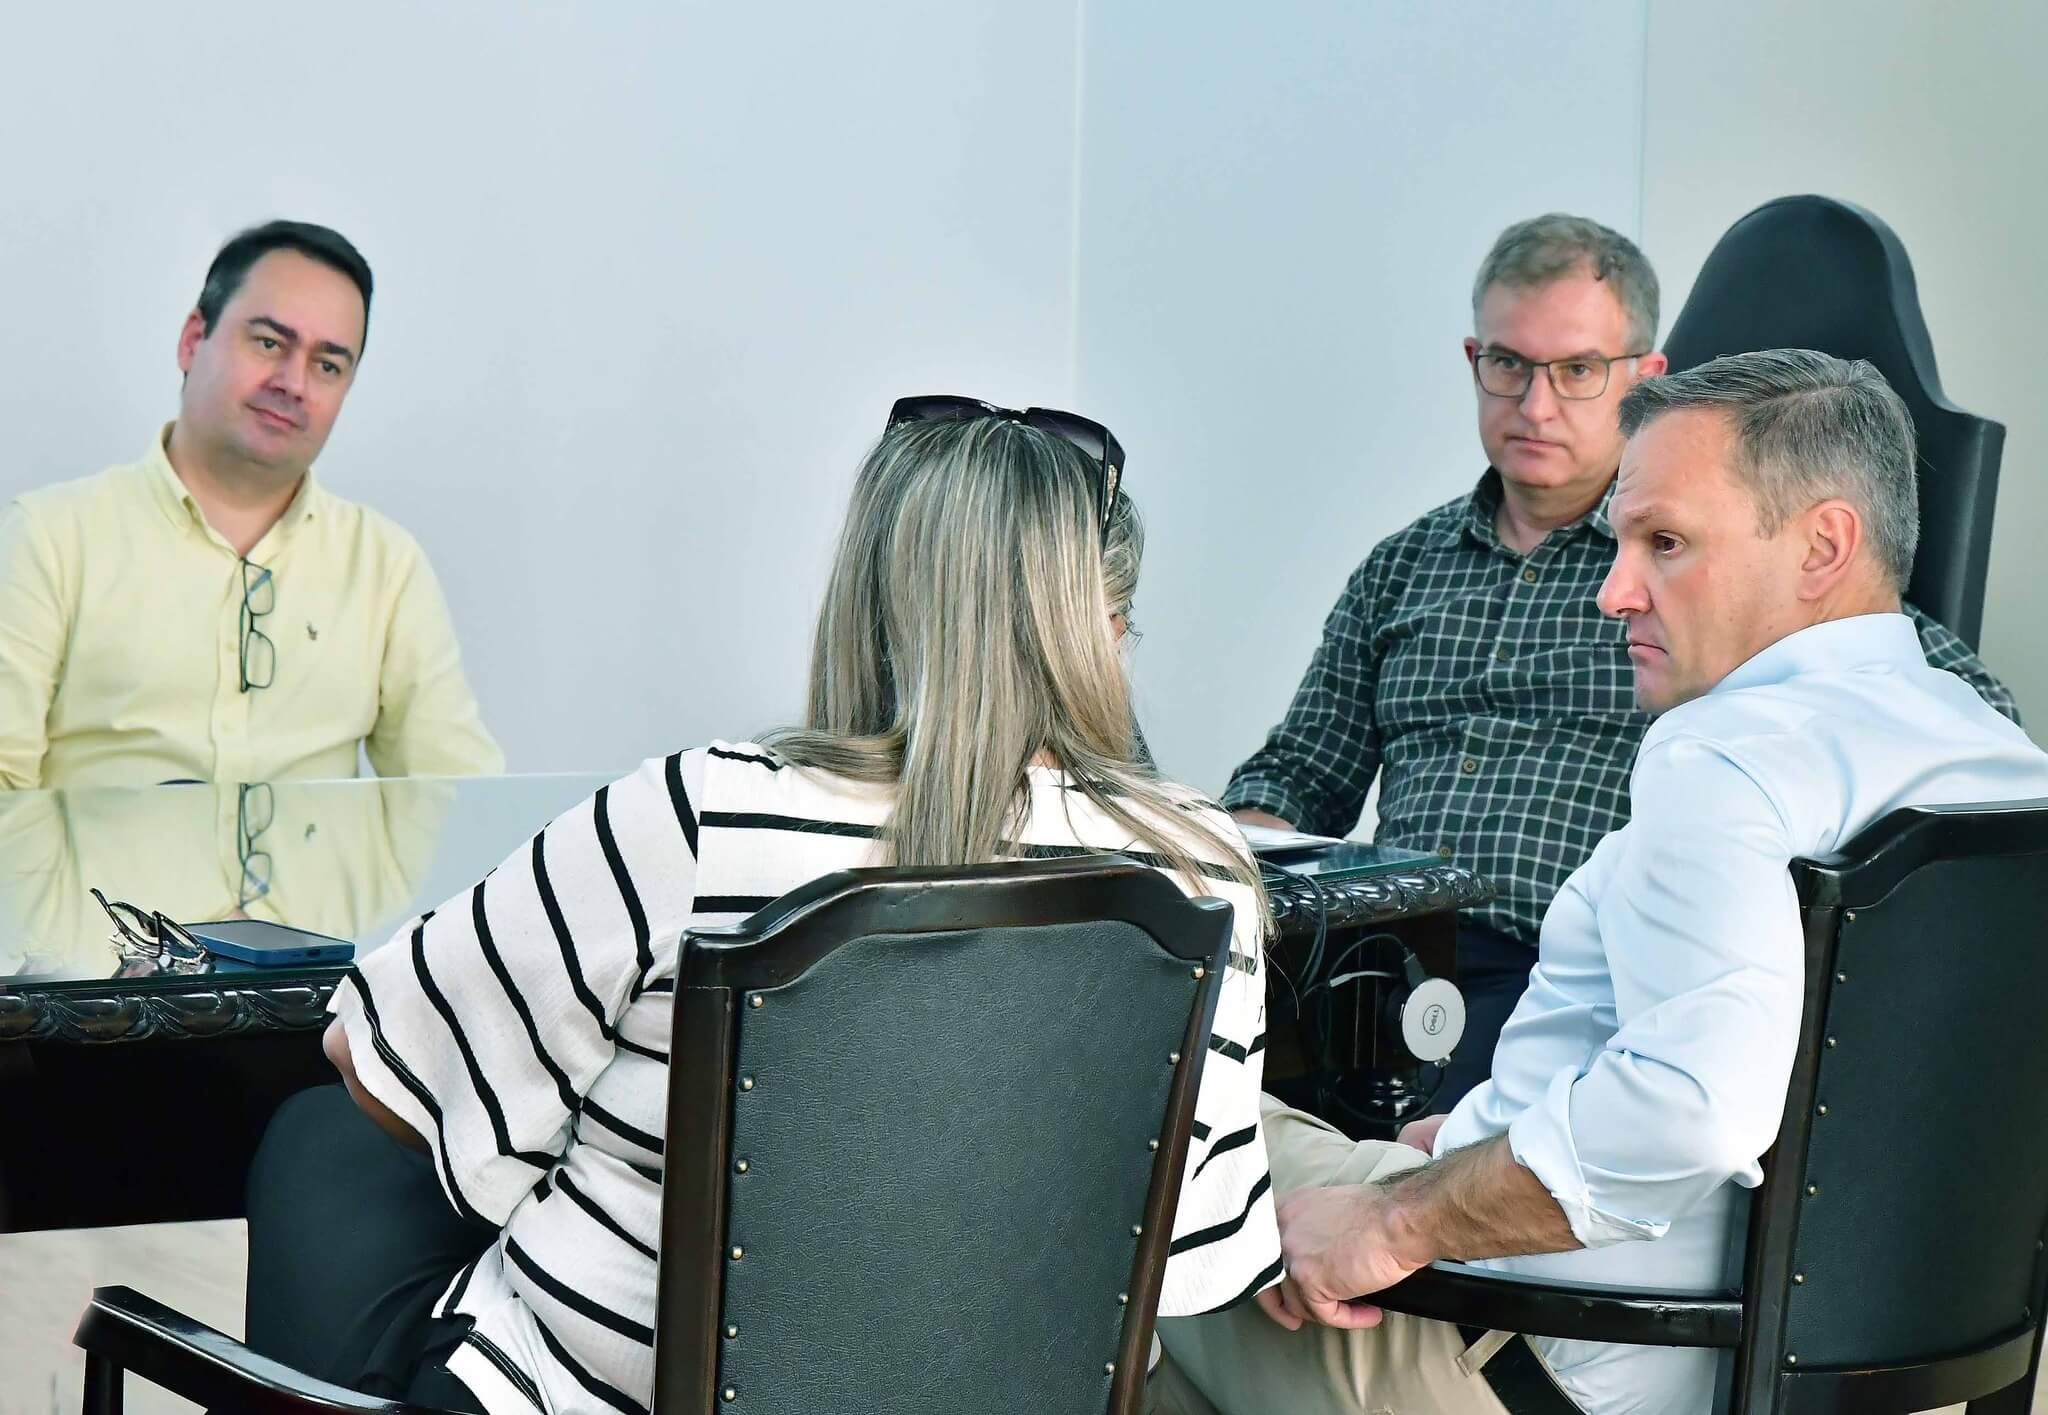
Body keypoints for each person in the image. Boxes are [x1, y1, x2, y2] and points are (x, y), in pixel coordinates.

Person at [244, 402, 1284, 1410]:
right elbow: (1189, 1256)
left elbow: (373, 1060)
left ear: (871, 599)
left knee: (325, 1138)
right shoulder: (1203, 872)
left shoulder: (701, 813)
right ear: (1105, 628)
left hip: (595, 1388)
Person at [1151, 349, 2048, 1415]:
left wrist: (1398, 1219)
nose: (1612, 592)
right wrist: (1476, 1144)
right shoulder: (2003, 764)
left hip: (1552, 1359)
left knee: (1142, 1146)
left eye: (1664, 543)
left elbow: (1695, 1112)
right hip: (1887, 1381)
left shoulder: (1726, 759)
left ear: (1822, 544)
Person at [1223, 213, 2014, 1110]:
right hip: (1377, 965)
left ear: (1644, 378)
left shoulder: (1703, 571)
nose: (1535, 405)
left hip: (1568, 982)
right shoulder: (1402, 567)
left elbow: (1923, 691)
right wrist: (1219, 893)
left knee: (1344, 1160)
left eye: (1576, 371)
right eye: (1509, 365)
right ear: (1475, 359)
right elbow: (1300, 775)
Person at [0, 220, 502, 789]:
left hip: (313, 856)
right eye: (269, 343)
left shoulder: (384, 566)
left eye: (327, 366)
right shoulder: (49, 538)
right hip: (97, 855)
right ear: (193, 340)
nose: (293, 383)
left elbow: (460, 794)